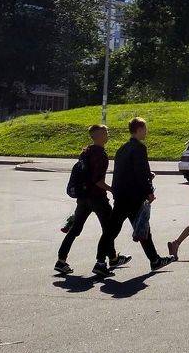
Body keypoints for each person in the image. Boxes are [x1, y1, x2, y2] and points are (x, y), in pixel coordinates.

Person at [55, 124, 129, 277]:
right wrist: (112, 189)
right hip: (97, 198)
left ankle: (61, 261)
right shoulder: (100, 154)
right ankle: (101, 263)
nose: (107, 135)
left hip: (83, 197)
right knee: (109, 230)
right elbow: (97, 180)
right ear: (97, 136)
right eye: (105, 132)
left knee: (75, 229)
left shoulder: (86, 151)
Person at [110, 117, 169, 270]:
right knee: (143, 228)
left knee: (112, 230)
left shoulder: (122, 148)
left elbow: (122, 172)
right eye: (145, 129)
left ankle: (102, 261)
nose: (146, 132)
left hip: (121, 195)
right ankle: (155, 261)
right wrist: (149, 191)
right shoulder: (139, 148)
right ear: (139, 129)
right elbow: (141, 172)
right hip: (134, 196)